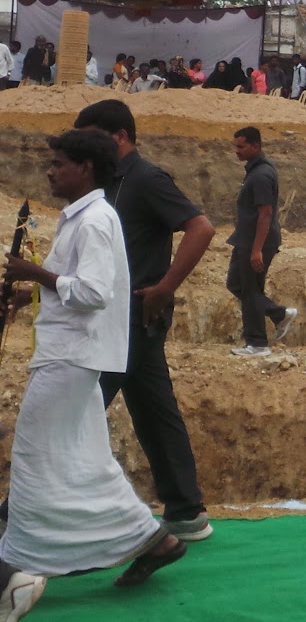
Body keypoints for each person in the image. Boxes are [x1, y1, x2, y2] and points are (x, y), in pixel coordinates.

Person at [0, 129, 187, 594]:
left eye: (59, 163)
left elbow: (93, 293)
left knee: (33, 454)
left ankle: (17, 567)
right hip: (70, 352)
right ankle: (152, 539)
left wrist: (34, 272)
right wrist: (27, 294)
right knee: (83, 458)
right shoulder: (82, 218)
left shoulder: (95, 220)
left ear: (85, 168)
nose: (50, 170)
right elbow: (74, 286)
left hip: (72, 355)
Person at [72, 100, 215, 542]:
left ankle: (21, 512)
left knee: (73, 412)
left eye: (94, 139)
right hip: (118, 318)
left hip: (134, 318)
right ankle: (187, 512)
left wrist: (166, 286)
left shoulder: (147, 179)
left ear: (120, 137)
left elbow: (201, 228)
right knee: (153, 412)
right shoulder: (111, 181)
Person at [226, 127, 296, 358]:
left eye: (241, 146)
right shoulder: (256, 171)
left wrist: (257, 250)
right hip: (246, 239)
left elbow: (265, 214)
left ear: (256, 146)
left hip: (257, 242)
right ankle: (279, 314)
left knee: (251, 290)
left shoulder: (261, 176)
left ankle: (257, 343)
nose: (236, 151)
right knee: (236, 283)